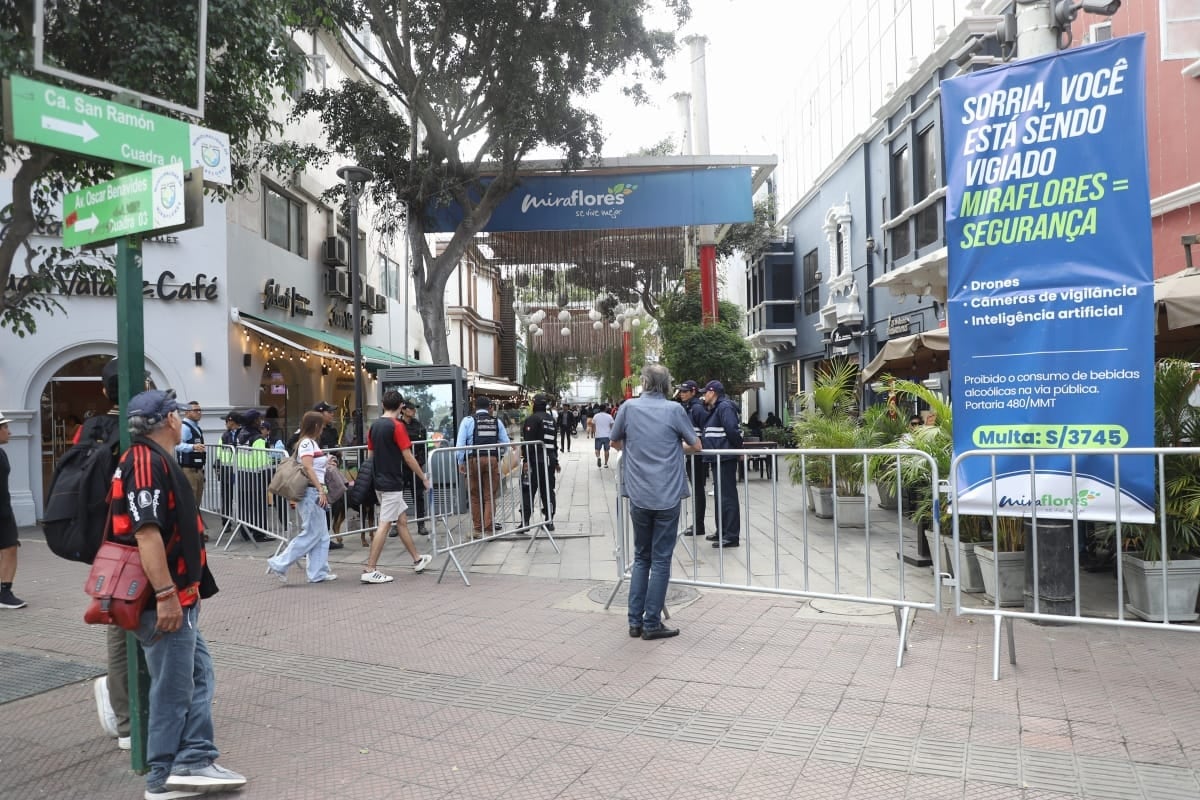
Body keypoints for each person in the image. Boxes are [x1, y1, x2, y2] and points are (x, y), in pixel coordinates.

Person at [113, 389, 245, 799]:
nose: (183, 416)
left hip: (176, 596)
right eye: (178, 412)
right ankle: (165, 776)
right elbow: (147, 533)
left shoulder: (149, 459)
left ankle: (194, 758)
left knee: (195, 674)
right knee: (174, 685)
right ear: (170, 420)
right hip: (164, 600)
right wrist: (167, 593)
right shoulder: (145, 462)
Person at [610, 365, 701, 640]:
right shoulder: (674, 410)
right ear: (666, 385)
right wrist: (675, 450)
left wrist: (637, 450)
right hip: (667, 494)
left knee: (641, 557)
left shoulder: (628, 407)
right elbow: (696, 445)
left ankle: (634, 622)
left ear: (645, 383)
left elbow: (614, 443)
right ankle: (652, 623)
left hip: (638, 493)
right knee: (661, 560)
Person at [362, 391, 434, 583]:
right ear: (401, 406)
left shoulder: (374, 426)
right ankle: (370, 568)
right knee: (385, 523)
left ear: (383, 404)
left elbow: (370, 455)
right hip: (392, 482)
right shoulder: (397, 426)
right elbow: (408, 456)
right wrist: (423, 478)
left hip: (379, 481)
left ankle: (417, 559)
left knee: (401, 520)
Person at [266, 411, 337, 584]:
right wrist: (321, 490)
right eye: (321, 425)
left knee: (320, 535)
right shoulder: (307, 443)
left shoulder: (308, 442)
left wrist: (326, 462)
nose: (323, 428)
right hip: (312, 492)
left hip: (313, 491)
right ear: (316, 426)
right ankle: (280, 563)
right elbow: (308, 468)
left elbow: (311, 466)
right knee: (313, 533)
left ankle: (316, 572)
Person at [456, 395, 511, 537]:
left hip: (473, 460)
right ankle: (488, 528)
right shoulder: (496, 421)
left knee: (474, 495)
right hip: (491, 460)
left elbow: (460, 444)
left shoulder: (468, 421)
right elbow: (506, 444)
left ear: (475, 407)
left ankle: (478, 528)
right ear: (490, 408)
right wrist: (498, 456)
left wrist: (460, 462)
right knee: (490, 495)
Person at [700, 380, 743, 548]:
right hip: (718, 457)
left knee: (727, 497)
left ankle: (731, 535)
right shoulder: (717, 408)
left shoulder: (725, 407)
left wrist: (737, 449)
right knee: (720, 496)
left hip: (724, 457)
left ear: (713, 392)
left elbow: (732, 430)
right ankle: (722, 531)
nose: (704, 395)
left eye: (706, 392)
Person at [520, 394, 559, 532]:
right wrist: (556, 460)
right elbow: (554, 442)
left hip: (535, 460)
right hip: (549, 460)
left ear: (535, 404)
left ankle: (525, 522)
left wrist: (525, 461)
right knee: (547, 490)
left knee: (527, 490)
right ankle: (550, 520)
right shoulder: (551, 420)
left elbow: (528, 442)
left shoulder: (532, 419)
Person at [676, 380, 707, 538]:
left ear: (693, 392)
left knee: (698, 490)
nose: (682, 393)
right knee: (697, 490)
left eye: (685, 391)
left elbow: (702, 431)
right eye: (681, 391)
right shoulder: (688, 408)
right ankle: (697, 523)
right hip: (692, 455)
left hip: (698, 456)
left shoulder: (696, 408)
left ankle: (699, 525)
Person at [0, 413, 24, 611]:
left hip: (3, 510)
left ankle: (5, 592)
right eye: (5, 427)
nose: (9, 431)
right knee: (8, 548)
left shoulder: (2, 453)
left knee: (9, 548)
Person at [399, 399, 429, 536]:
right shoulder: (398, 425)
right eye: (410, 408)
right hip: (400, 466)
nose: (413, 411)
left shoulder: (419, 426)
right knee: (397, 496)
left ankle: (421, 524)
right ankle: (395, 524)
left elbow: (424, 446)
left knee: (418, 495)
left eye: (414, 409)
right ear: (403, 410)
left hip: (415, 465)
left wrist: (421, 461)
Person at [175, 401, 207, 510]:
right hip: (188, 470)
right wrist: (193, 447)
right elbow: (177, 445)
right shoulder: (185, 427)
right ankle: (189, 526)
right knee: (190, 502)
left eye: (200, 410)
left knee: (196, 502)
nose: (199, 412)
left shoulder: (196, 427)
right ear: (187, 412)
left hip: (198, 469)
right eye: (196, 410)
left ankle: (195, 524)